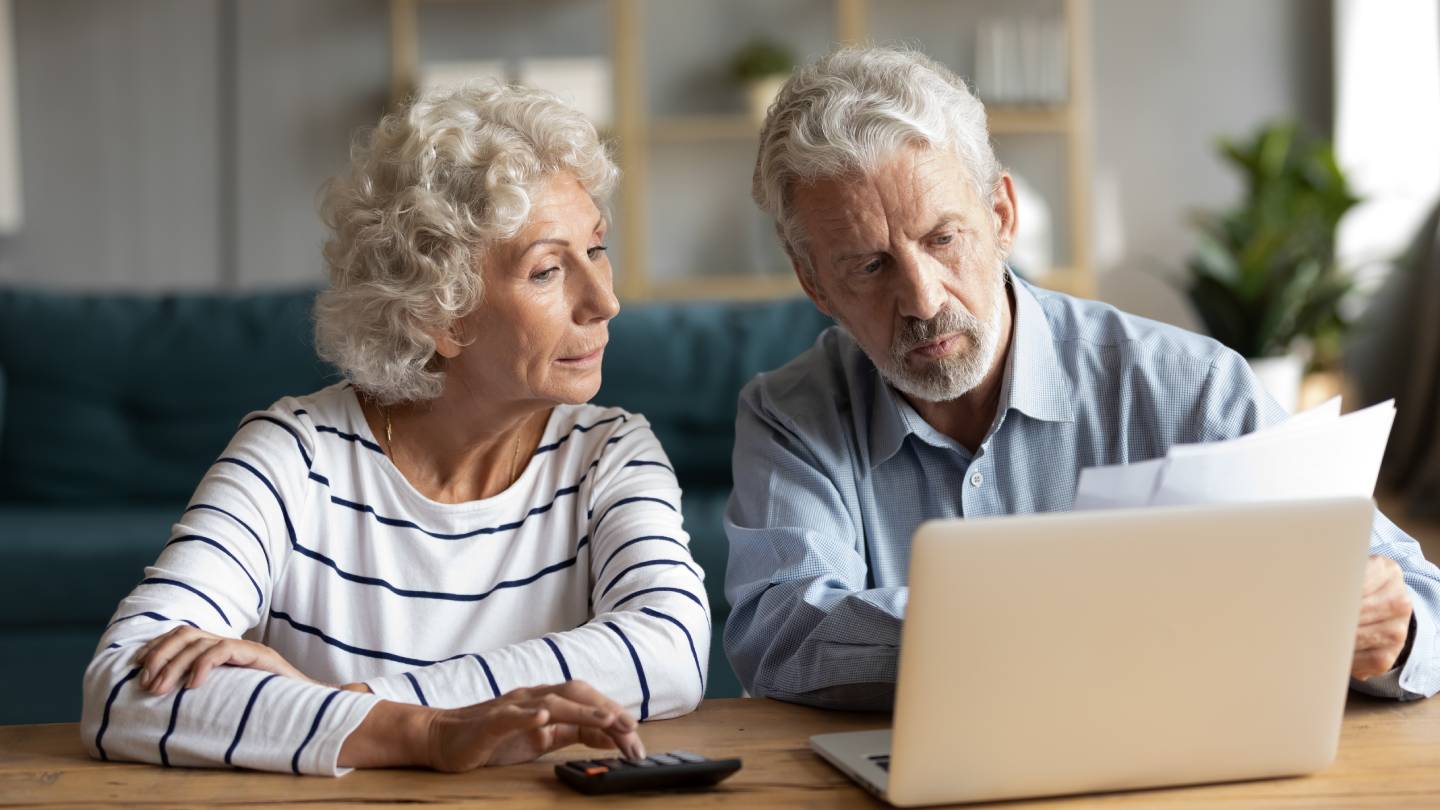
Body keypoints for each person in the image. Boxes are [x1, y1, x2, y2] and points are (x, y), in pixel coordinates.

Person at [724, 46, 1437, 710]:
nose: (923, 300)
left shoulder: (1191, 386)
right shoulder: (790, 414)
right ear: (815, 283)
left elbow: (1422, 604)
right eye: (869, 265)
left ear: (1001, 215)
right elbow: (781, 635)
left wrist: (1390, 629)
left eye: (943, 239)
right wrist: (1073, 621)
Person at [81, 83, 709, 775]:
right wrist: (428, 735)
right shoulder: (295, 452)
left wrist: (333, 706)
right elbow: (121, 692)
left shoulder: (611, 451)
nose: (605, 300)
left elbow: (669, 650)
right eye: (549, 269)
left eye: (596, 249)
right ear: (439, 316)